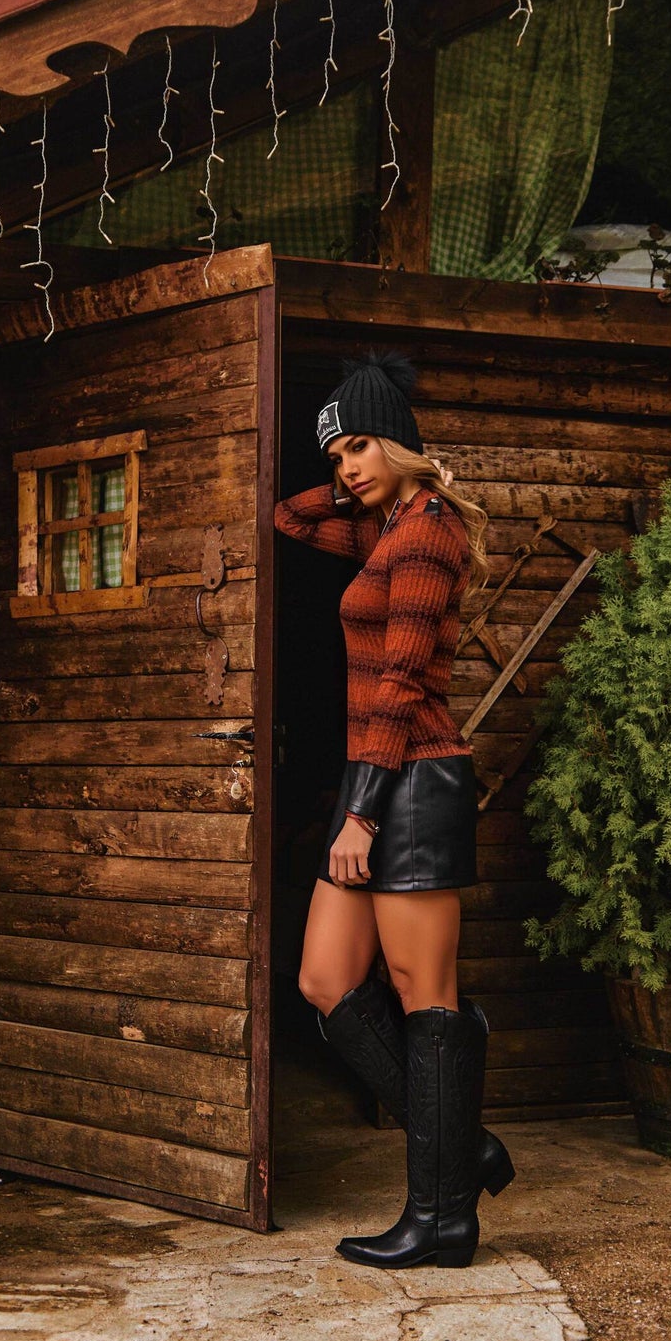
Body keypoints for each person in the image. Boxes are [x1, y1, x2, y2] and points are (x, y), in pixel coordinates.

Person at [274, 352, 514, 1269]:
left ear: (405, 442)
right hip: (373, 779)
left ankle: (443, 1218)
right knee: (327, 983)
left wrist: (361, 815)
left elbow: (402, 682)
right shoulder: (383, 530)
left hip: (409, 787)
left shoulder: (427, 533)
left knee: (425, 999)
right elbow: (286, 517)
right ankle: (464, 1149)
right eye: (337, 455)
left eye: (361, 445)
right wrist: (356, 481)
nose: (344, 470)